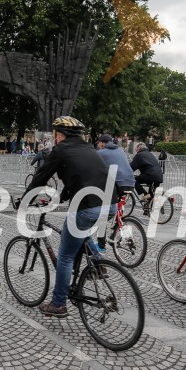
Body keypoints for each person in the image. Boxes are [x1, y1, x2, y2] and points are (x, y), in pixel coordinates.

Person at [24, 117, 112, 318]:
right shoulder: (89, 148)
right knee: (78, 234)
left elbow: (41, 177)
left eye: (55, 134)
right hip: (106, 204)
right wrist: (61, 197)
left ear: (59, 135)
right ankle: (98, 265)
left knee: (65, 256)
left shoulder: (61, 149)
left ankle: (58, 304)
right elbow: (80, 178)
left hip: (87, 205)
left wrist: (26, 199)